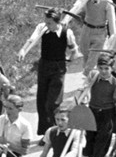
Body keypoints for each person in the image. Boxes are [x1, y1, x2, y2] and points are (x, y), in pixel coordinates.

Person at [19, 7, 81, 135]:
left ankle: (54, 132)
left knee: (53, 103)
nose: (47, 25)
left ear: (57, 22)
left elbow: (74, 51)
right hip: (44, 66)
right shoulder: (42, 27)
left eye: (50, 23)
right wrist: (23, 50)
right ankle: (44, 132)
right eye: (46, 22)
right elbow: (32, 39)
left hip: (58, 69)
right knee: (41, 101)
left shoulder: (66, 33)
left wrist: (68, 60)